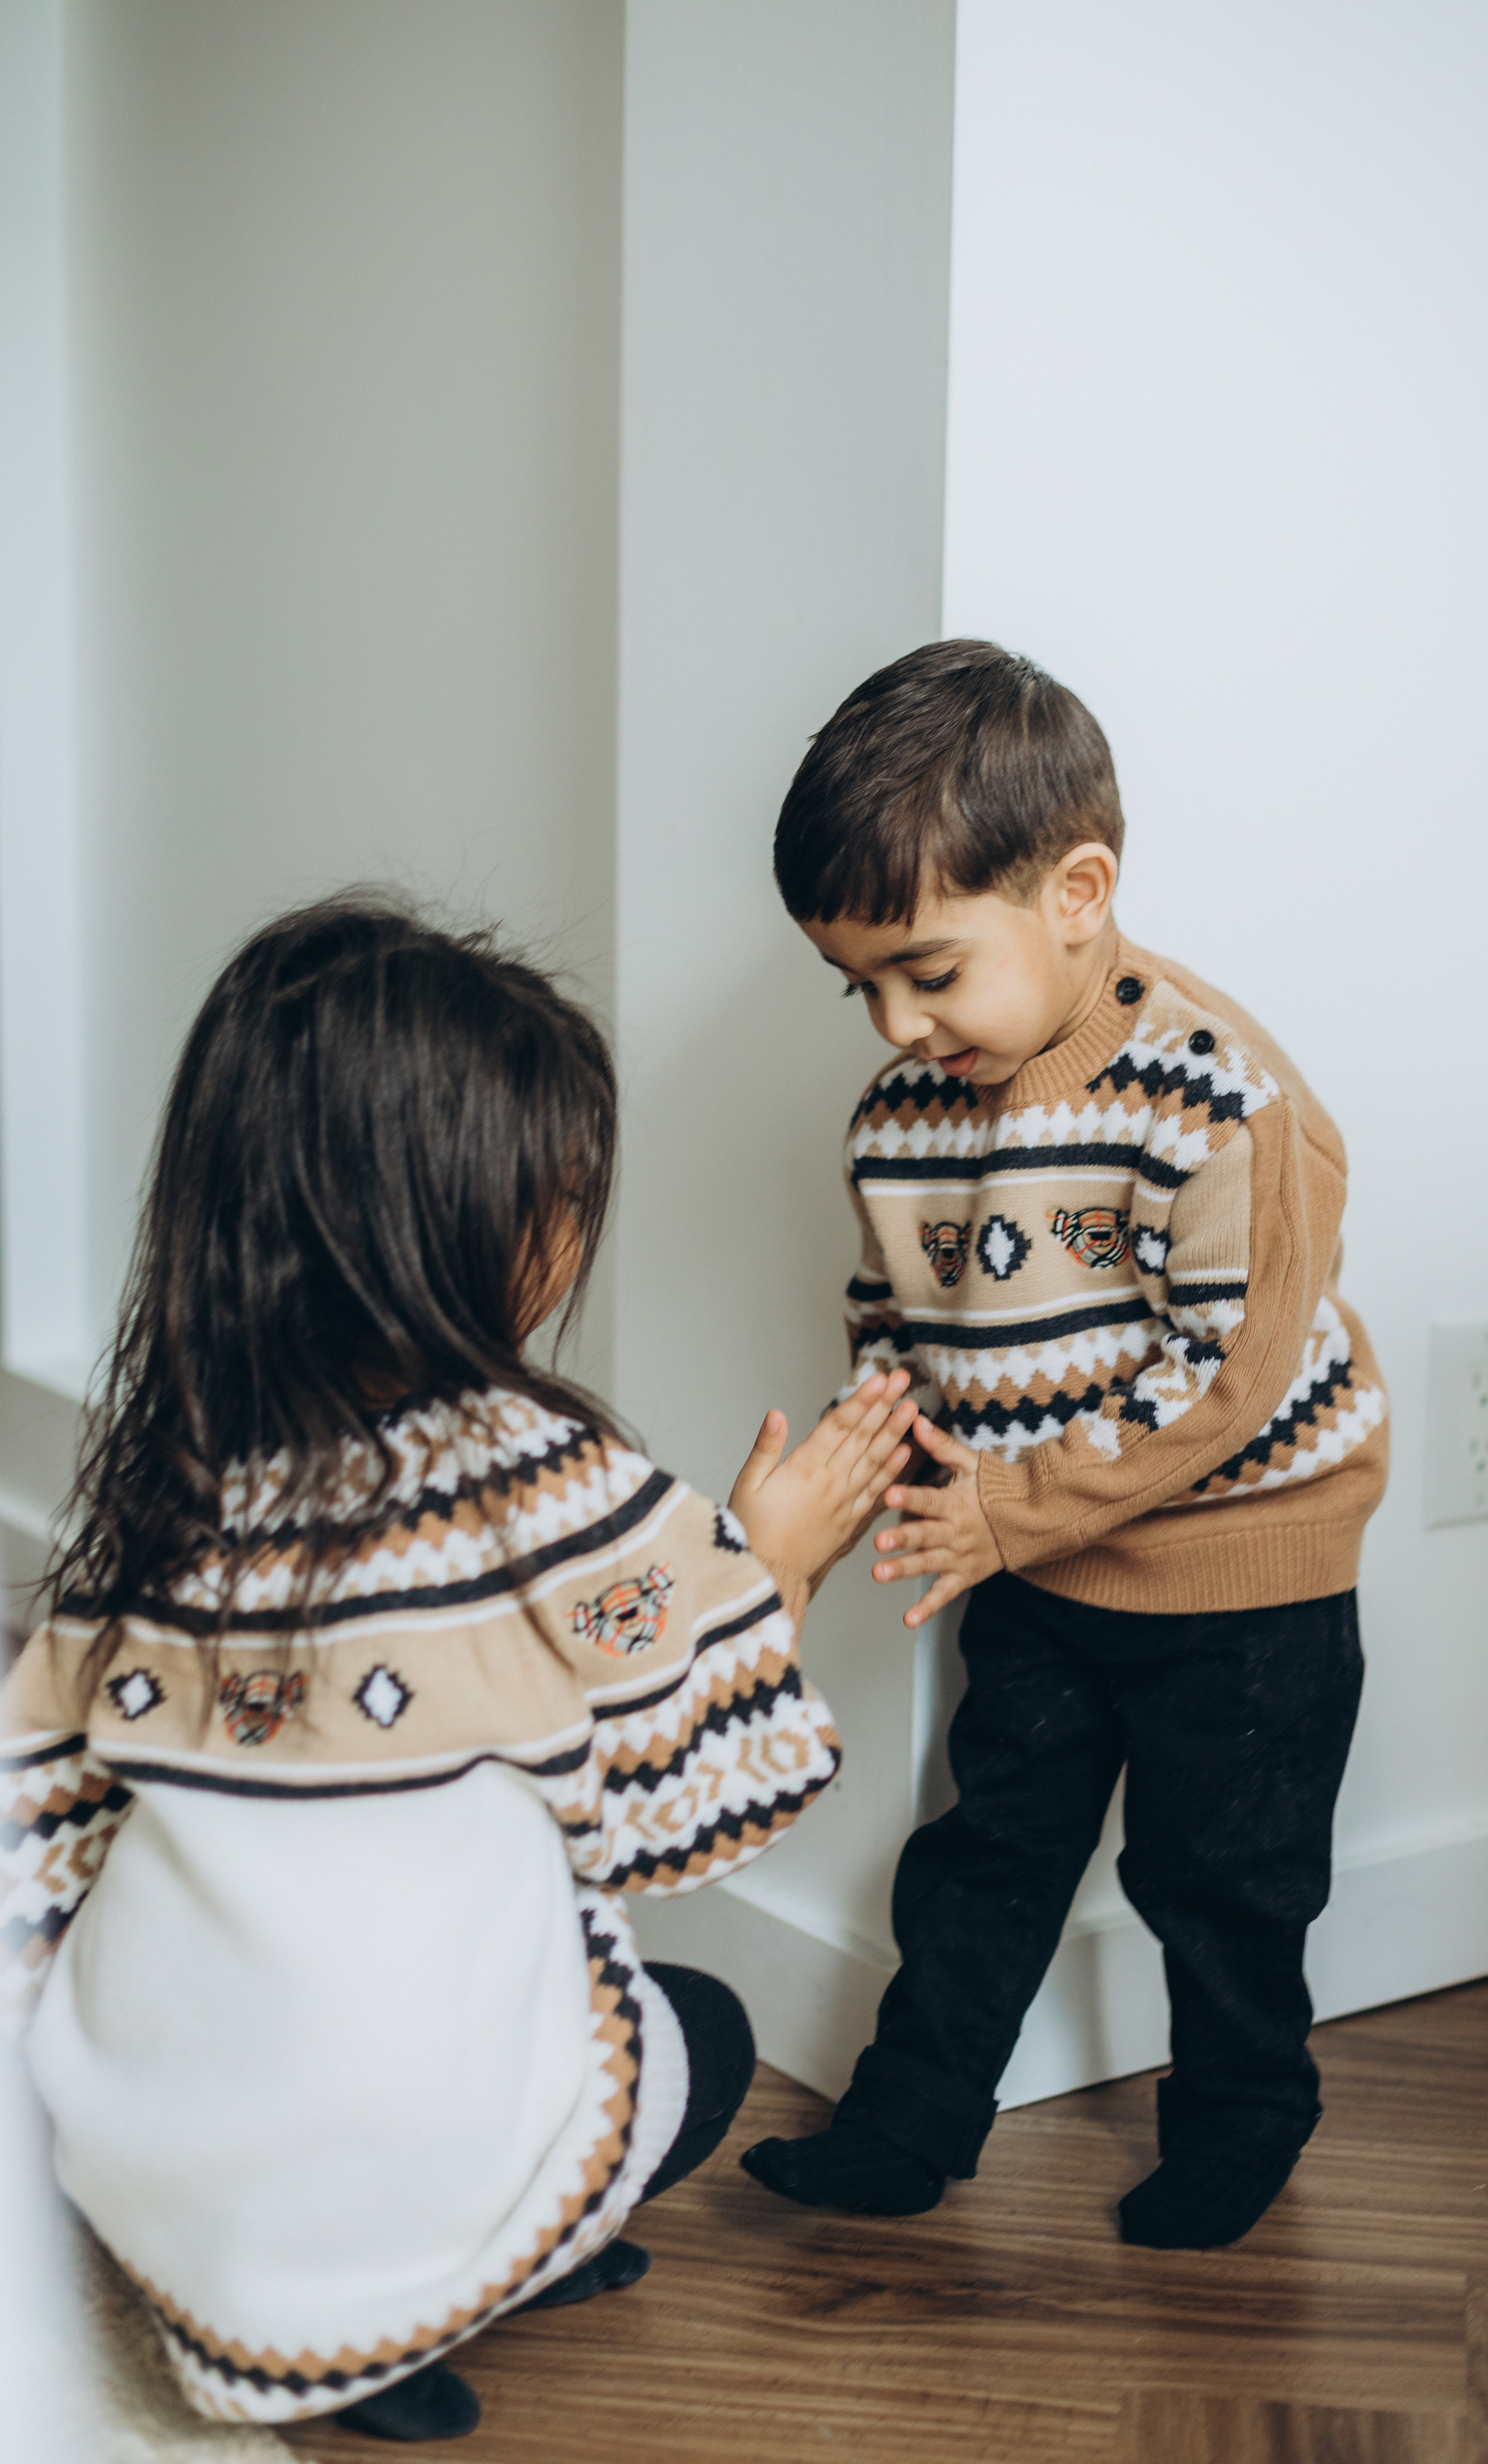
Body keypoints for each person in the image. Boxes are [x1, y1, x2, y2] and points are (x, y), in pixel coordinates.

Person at [0, 898, 916, 2441]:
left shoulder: (173, 1486)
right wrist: (778, 1560)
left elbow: (43, 1820)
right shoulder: (543, 1483)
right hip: (389, 2146)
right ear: (453, 1222)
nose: (570, 1234)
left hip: (158, 2169)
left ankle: (343, 2292)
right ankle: (447, 2279)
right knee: (699, 2033)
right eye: (556, 1196)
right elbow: (682, 1800)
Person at [740, 640, 1388, 2251]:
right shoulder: (904, 1119)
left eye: (929, 971)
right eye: (860, 985)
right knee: (984, 1855)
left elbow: (1226, 1377)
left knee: (1223, 1881)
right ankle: (907, 2124)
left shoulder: (1214, 1099)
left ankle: (1244, 2118)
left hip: (1241, 1584)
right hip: (1032, 1559)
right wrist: (885, 1457)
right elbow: (895, 1317)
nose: (894, 1021)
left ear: (1076, 891)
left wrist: (1013, 1505)